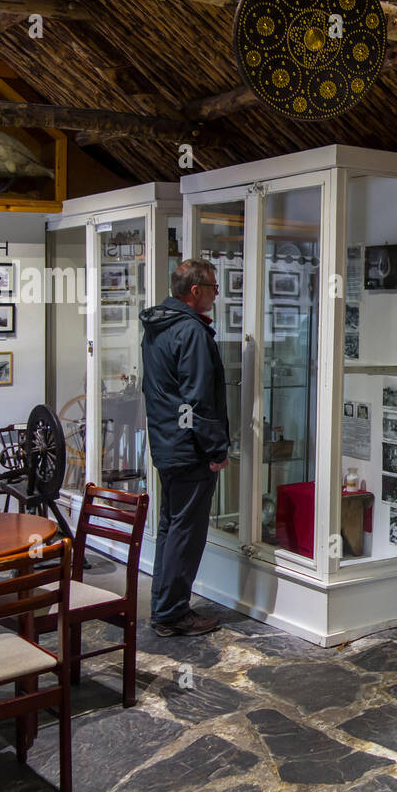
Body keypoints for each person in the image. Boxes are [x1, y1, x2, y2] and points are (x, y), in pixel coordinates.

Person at [140, 259, 230, 637]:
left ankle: (166, 606)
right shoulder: (190, 332)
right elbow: (197, 400)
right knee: (185, 531)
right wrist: (215, 449)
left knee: (171, 527)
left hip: (167, 443)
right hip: (188, 449)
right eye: (213, 286)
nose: (215, 293)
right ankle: (173, 613)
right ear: (195, 291)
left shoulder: (158, 325)